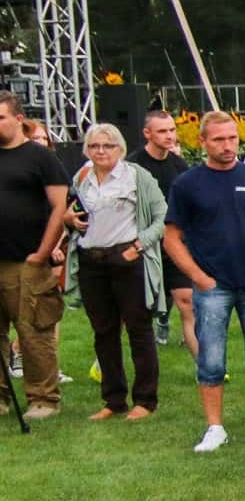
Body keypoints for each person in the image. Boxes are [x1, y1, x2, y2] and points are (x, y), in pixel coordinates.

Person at [163, 110, 245, 451]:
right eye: (219, 139)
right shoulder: (188, 184)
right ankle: (214, 428)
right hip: (212, 287)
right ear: (202, 142)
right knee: (211, 359)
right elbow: (171, 237)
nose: (227, 145)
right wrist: (199, 277)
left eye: (232, 138)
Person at [66, 123, 165, 420]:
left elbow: (161, 216)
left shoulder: (137, 176)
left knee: (138, 330)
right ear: (87, 150)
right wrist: (70, 219)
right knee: (103, 332)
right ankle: (113, 400)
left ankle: (145, 400)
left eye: (107, 146)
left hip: (126, 259)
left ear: (120, 149)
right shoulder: (82, 177)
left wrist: (139, 246)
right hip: (91, 262)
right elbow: (70, 211)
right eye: (94, 146)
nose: (101, 151)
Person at [0, 92, 70, 418]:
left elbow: (59, 207)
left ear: (19, 119)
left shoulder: (40, 158)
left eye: (0, 117)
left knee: (33, 332)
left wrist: (43, 252)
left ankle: (43, 399)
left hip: (26, 260)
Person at [129, 108, 197, 354]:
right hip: (144, 246)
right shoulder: (133, 165)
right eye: (162, 131)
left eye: (172, 130)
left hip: (175, 245)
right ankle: (103, 364)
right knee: (137, 312)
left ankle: (207, 367)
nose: (169, 136)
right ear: (147, 133)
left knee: (188, 303)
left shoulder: (179, 165)